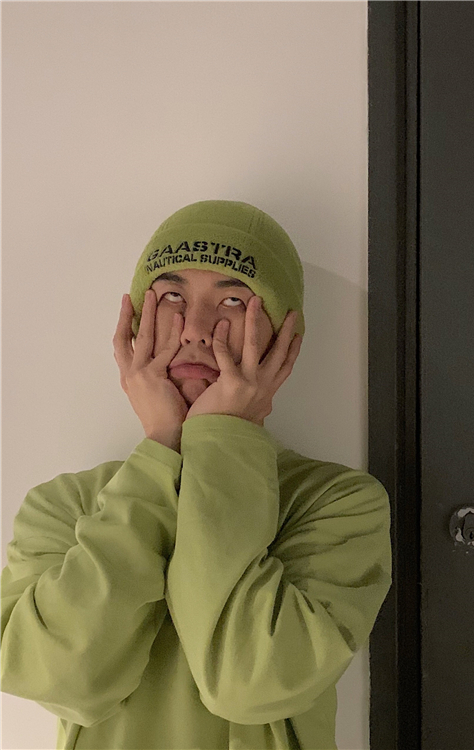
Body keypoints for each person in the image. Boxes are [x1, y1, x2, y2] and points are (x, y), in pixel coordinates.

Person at [0, 200, 393, 750]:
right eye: (171, 297)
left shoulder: (337, 504)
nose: (195, 330)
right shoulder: (65, 505)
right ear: (135, 323)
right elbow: (60, 676)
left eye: (233, 299)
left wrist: (222, 436)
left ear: (282, 336)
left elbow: (249, 683)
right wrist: (162, 446)